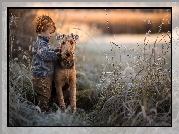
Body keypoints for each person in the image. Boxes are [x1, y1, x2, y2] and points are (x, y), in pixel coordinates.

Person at [32, 15, 59, 112]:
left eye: (52, 32)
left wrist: (53, 50)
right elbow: (46, 55)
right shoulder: (41, 43)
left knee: (43, 95)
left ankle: (37, 107)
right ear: (42, 30)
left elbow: (46, 52)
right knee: (45, 96)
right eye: (50, 32)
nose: (51, 34)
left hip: (44, 75)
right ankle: (39, 111)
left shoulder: (44, 42)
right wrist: (57, 54)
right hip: (42, 76)